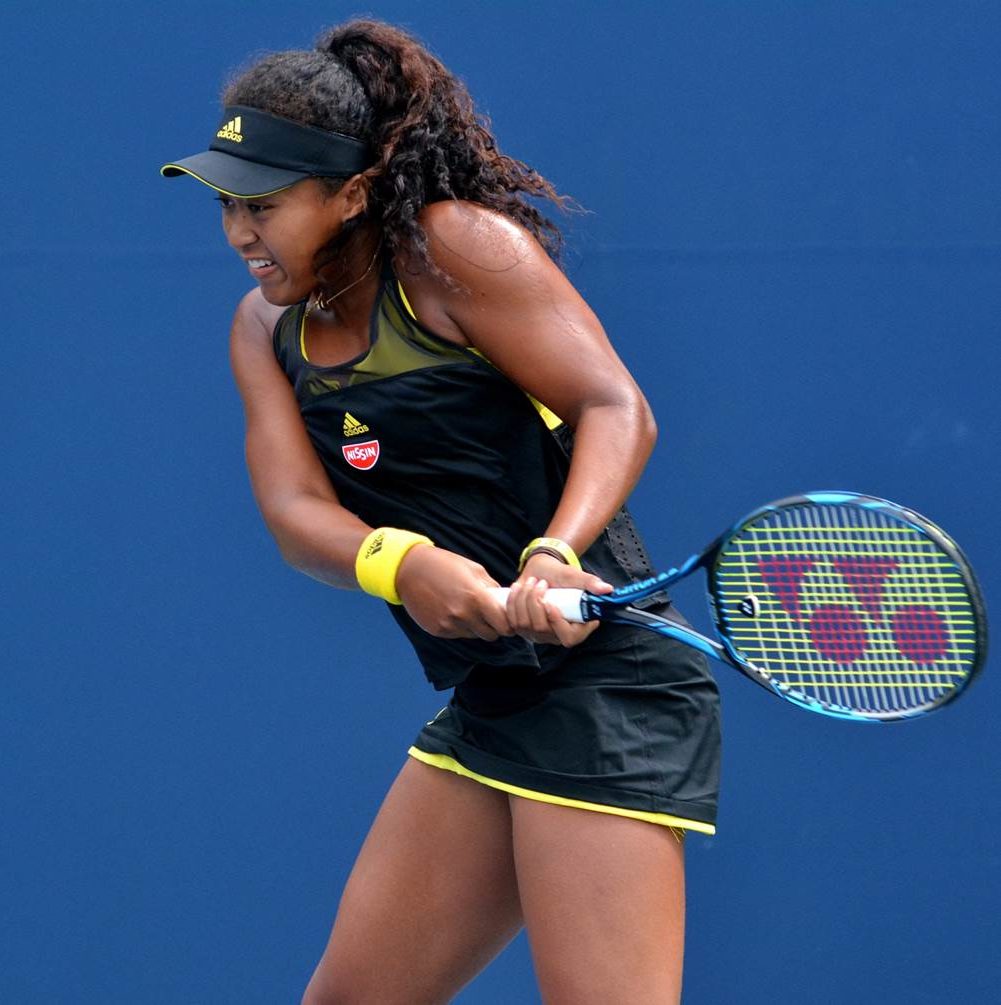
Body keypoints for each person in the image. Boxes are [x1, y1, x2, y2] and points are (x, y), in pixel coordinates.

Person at [162, 19, 720, 1005]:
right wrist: (400, 562)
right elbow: (296, 514)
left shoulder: (455, 251)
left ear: (352, 192)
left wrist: (553, 550)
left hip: (606, 693)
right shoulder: (264, 326)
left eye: (266, 203)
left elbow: (614, 406)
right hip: (495, 699)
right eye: (226, 205)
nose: (241, 232)